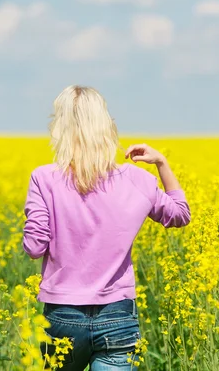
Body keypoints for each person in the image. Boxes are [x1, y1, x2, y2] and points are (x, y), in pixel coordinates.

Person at [22, 85, 191, 370]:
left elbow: (34, 248)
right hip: (118, 315)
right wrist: (161, 162)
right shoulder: (138, 180)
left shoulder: (44, 178)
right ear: (106, 127)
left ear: (60, 128)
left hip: (63, 316)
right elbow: (180, 215)